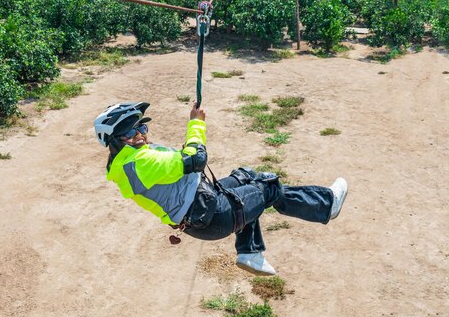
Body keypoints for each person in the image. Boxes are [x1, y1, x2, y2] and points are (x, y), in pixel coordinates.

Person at [94, 101, 348, 275]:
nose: (140, 135)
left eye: (142, 127)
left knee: (246, 177)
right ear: (114, 140)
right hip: (214, 215)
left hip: (203, 208)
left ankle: (250, 253)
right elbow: (195, 159)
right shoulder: (139, 163)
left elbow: (180, 163)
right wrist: (196, 124)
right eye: (131, 131)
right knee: (268, 187)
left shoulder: (126, 162)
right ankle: (326, 205)